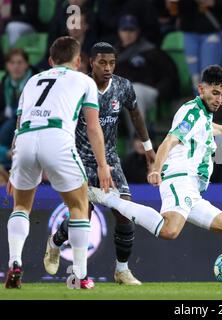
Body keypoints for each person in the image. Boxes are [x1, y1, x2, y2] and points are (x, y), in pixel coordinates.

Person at [89, 65, 222, 286]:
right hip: (180, 178)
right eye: (215, 93)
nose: (219, 99)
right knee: (170, 231)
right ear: (201, 89)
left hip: (193, 190)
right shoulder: (192, 111)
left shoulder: (202, 114)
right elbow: (170, 140)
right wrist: (156, 169)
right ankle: (107, 198)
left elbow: (207, 128)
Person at [43, 42, 156, 286]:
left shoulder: (123, 86)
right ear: (90, 61)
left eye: (112, 63)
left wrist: (148, 147)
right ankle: (55, 242)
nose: (108, 68)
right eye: (102, 62)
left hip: (110, 158)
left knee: (125, 212)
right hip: (80, 157)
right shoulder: (77, 86)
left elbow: (135, 113)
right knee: (83, 213)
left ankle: (122, 270)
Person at [4, 36, 112, 289]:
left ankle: (14, 263)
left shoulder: (32, 81)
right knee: (79, 205)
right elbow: (94, 128)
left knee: (20, 205)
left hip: (26, 140)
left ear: (51, 61)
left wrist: (12, 169)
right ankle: (80, 277)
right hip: (57, 138)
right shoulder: (85, 80)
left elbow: (19, 126)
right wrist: (102, 164)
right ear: (78, 61)